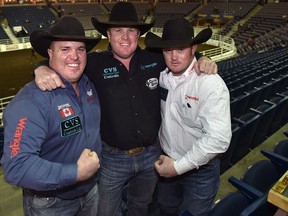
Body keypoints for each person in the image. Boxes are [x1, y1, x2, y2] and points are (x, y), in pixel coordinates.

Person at [33, 2, 218, 216]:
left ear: (138, 34)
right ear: (108, 35)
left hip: (152, 155)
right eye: (118, 31)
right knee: (106, 211)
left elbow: (183, 58)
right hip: (112, 159)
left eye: (131, 31)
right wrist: (41, 68)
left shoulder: (156, 59)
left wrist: (203, 59)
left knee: (140, 206)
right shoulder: (93, 64)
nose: (125, 37)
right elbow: (64, 62)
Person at [1, 16, 102, 216]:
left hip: (91, 192)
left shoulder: (88, 84)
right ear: (50, 53)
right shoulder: (30, 102)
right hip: (50, 204)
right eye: (65, 49)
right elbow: (17, 167)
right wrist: (76, 172)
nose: (75, 56)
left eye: (80, 49)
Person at [145, 18, 232, 216]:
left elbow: (218, 140)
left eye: (181, 49)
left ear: (194, 49)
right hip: (166, 162)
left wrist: (177, 168)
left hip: (200, 172)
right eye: (168, 50)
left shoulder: (210, 84)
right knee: (167, 209)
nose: (174, 57)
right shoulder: (160, 75)